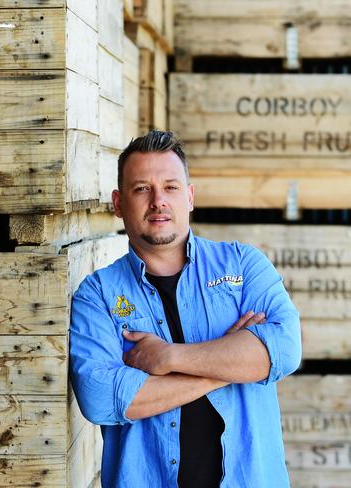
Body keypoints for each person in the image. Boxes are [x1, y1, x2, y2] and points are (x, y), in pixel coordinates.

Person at [69, 130, 302, 487]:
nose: (158, 200)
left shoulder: (242, 266)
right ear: (118, 203)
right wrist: (231, 365)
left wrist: (170, 358)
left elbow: (284, 350)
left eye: (171, 187)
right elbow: (101, 399)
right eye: (142, 188)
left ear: (190, 197)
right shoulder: (98, 295)